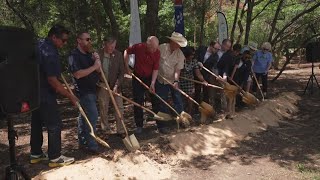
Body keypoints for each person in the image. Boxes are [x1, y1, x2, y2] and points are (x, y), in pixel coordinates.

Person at [30, 24, 78, 167]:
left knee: (37, 123)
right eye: (63, 40)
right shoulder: (50, 52)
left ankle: (36, 154)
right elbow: (53, 81)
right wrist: (70, 95)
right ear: (54, 37)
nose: (64, 44)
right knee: (54, 124)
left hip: (33, 92)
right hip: (45, 93)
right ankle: (55, 158)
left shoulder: (38, 44)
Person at [68, 31, 101, 153]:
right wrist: (94, 67)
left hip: (93, 89)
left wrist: (97, 61)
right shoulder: (73, 55)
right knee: (93, 115)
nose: (89, 41)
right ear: (79, 40)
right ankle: (92, 145)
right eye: (87, 39)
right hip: (83, 91)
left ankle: (83, 143)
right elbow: (77, 74)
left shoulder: (89, 55)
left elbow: (98, 71)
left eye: (90, 39)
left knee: (83, 117)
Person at [124, 36, 160, 134]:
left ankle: (159, 124)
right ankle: (139, 125)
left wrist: (152, 83)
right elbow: (126, 51)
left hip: (150, 77)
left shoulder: (157, 52)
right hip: (137, 77)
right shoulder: (139, 47)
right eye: (152, 47)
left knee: (155, 99)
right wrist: (127, 67)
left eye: (156, 47)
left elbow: (155, 69)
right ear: (147, 44)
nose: (154, 50)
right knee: (138, 101)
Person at [156, 32, 187, 133]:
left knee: (178, 99)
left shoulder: (180, 54)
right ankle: (162, 125)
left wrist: (176, 81)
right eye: (177, 43)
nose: (178, 46)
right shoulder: (161, 48)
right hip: (160, 79)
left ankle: (182, 120)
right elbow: (154, 60)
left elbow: (178, 70)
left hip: (173, 79)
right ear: (172, 41)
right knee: (162, 101)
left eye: (179, 44)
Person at [97, 36, 125, 135]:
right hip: (103, 84)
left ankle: (121, 130)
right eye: (110, 47)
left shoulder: (118, 55)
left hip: (115, 85)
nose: (112, 49)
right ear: (105, 45)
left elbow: (122, 72)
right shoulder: (97, 55)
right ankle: (106, 130)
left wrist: (117, 84)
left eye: (114, 47)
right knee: (103, 107)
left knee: (119, 108)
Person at [180, 46, 206, 115]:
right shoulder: (180, 60)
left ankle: (190, 113)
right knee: (181, 99)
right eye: (190, 55)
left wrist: (203, 81)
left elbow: (198, 73)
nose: (192, 57)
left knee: (190, 98)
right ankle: (182, 114)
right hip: (180, 82)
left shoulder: (194, 62)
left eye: (193, 55)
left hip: (190, 82)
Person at [195, 41, 220, 109]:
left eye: (218, 49)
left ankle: (205, 108)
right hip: (196, 73)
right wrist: (198, 62)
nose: (217, 51)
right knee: (197, 91)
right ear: (211, 46)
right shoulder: (201, 48)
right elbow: (194, 56)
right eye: (216, 49)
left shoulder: (215, 57)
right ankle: (196, 107)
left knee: (206, 92)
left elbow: (214, 67)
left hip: (206, 75)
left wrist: (216, 75)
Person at [216, 39, 235, 118]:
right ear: (222, 44)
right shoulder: (215, 50)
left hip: (221, 75)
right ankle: (213, 109)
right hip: (211, 73)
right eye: (226, 46)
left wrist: (224, 76)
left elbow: (226, 67)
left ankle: (226, 111)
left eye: (229, 47)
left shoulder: (228, 55)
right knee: (211, 92)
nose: (227, 48)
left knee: (224, 93)